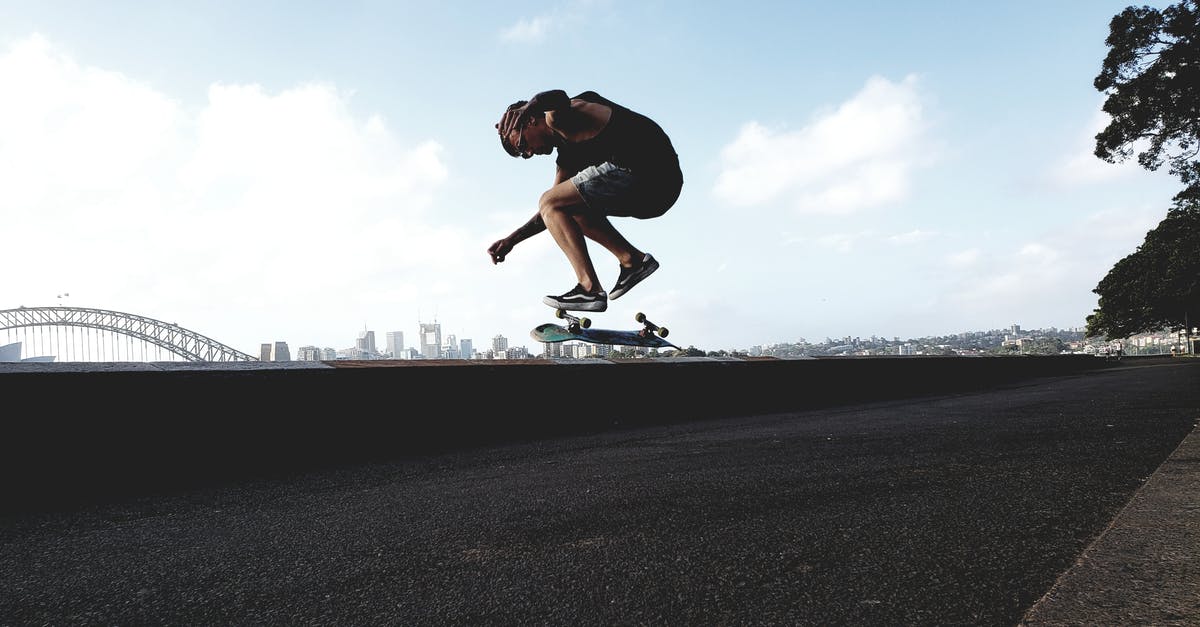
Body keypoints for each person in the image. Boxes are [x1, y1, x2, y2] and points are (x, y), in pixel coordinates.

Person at [487, 89, 683, 312]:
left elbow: (558, 97)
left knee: (553, 201)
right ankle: (632, 260)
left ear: (531, 121)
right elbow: (550, 214)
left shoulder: (559, 118)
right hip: (656, 193)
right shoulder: (568, 156)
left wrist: (527, 107)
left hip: (651, 172)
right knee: (564, 207)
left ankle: (589, 288)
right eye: (525, 154)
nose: (531, 153)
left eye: (523, 145)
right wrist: (512, 240)